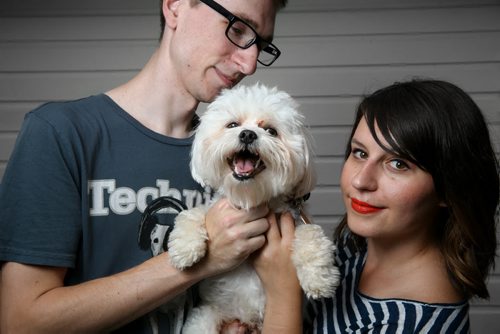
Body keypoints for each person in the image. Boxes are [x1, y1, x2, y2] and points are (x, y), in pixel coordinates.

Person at [0, 0, 289, 333]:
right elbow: (22, 322)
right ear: (175, 6)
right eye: (237, 28)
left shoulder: (245, 164)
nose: (250, 63)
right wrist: (200, 260)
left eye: (262, 45)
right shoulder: (60, 133)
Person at [253, 79, 499, 333]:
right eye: (359, 153)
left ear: (448, 188)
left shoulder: (417, 324)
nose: (361, 180)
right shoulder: (355, 247)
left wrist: (283, 293)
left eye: (398, 164)